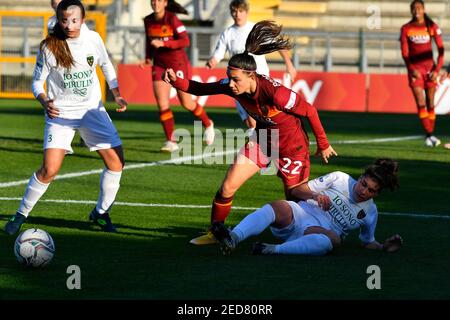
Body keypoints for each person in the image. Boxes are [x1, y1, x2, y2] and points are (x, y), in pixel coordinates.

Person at [164, 20, 337, 245]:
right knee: (228, 185)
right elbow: (201, 88)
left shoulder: (277, 94)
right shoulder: (233, 85)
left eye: (236, 79)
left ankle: (307, 234)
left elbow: (310, 111)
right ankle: (216, 233)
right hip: (264, 139)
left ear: (251, 76)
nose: (232, 84)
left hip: (292, 146)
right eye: (230, 78)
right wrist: (177, 81)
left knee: (294, 197)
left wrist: (322, 144)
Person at [4, 0, 127, 235]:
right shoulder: (49, 47)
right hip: (60, 113)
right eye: (64, 20)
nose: (70, 25)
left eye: (74, 20)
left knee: (116, 162)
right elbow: (36, 82)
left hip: (91, 110)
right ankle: (20, 215)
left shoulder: (93, 39)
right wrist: (44, 100)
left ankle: (100, 213)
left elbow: (106, 65)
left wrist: (117, 94)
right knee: (49, 170)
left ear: (83, 20)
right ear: (57, 20)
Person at [212, 158, 403, 256]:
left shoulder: (370, 212)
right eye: (364, 184)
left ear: (377, 194)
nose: (364, 191)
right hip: (301, 214)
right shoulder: (340, 178)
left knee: (331, 241)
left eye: (371, 190)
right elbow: (296, 191)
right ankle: (233, 237)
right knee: (276, 207)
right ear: (360, 178)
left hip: (316, 234)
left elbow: (367, 241)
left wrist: (383, 247)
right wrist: (315, 195)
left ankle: (272, 250)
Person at [206, 0, 297, 132]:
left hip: (258, 80)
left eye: (240, 11)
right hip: (239, 82)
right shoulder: (228, 33)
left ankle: (269, 141)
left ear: (246, 12)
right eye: (234, 11)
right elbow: (219, 53)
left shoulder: (253, 30)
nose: (237, 14)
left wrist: (289, 64)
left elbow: (278, 44)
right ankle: (262, 143)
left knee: (260, 117)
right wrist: (213, 61)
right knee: (250, 122)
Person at [141, 0, 215, 152]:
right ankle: (171, 141)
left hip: (177, 64)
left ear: (165, 3)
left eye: (159, 0)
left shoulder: (171, 19)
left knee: (186, 103)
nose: (155, 3)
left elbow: (185, 41)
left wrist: (164, 45)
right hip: (159, 65)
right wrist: (148, 58)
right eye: (153, 0)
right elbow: (149, 42)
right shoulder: (148, 20)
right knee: (162, 104)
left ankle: (208, 124)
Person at [400, 0, 444, 147]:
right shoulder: (406, 28)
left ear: (424, 9)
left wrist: (436, 71)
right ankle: (429, 134)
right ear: (411, 10)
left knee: (431, 103)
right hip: (415, 72)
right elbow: (405, 53)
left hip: (430, 70)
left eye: (419, 7)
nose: (416, 10)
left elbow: (441, 50)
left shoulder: (431, 26)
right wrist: (412, 69)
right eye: (414, 8)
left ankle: (430, 134)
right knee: (420, 101)